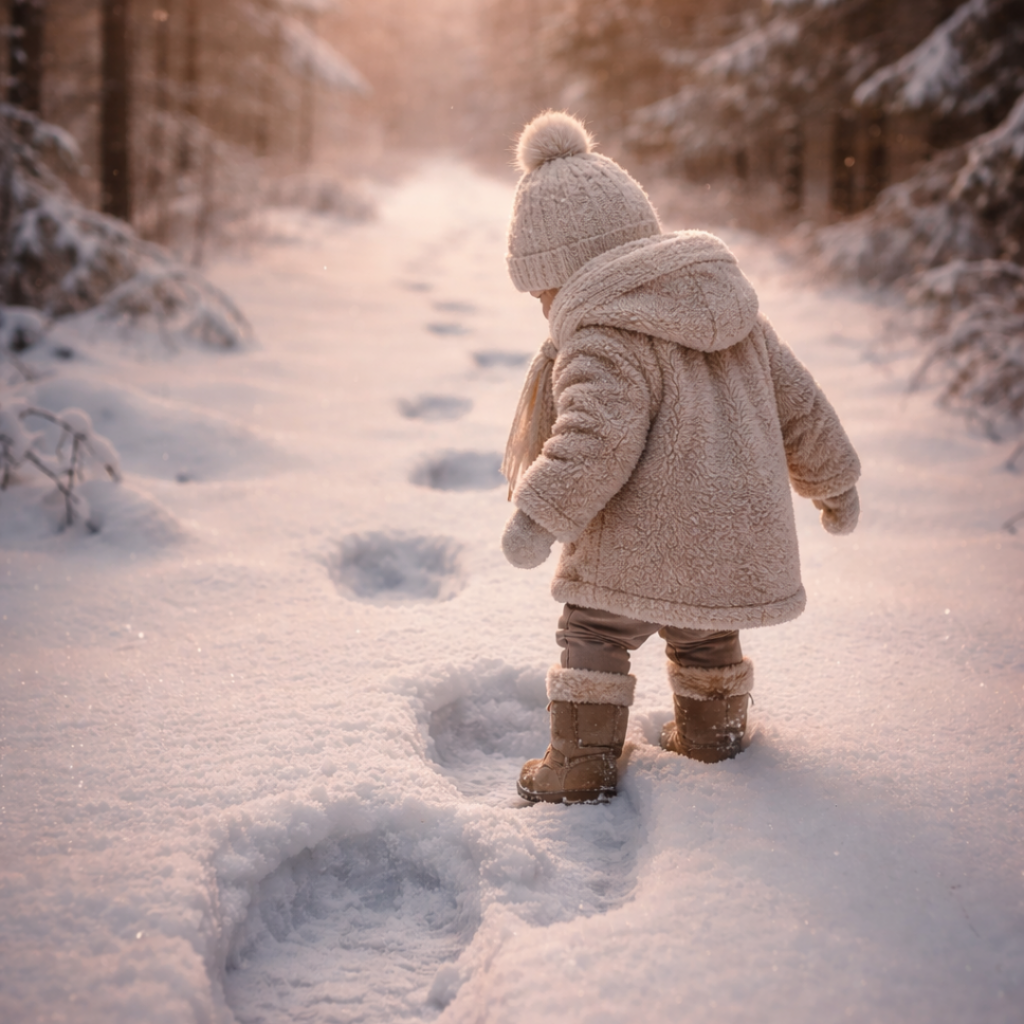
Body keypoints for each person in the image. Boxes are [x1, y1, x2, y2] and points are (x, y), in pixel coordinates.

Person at [499, 111, 861, 805]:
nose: (546, 307)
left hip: (641, 541)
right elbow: (801, 407)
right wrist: (834, 480)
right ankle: (712, 737)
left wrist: (536, 516)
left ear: (566, 270)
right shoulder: (738, 314)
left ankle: (580, 763)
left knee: (594, 631)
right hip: (733, 543)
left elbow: (593, 443)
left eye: (542, 289)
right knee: (704, 634)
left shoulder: (603, 336)